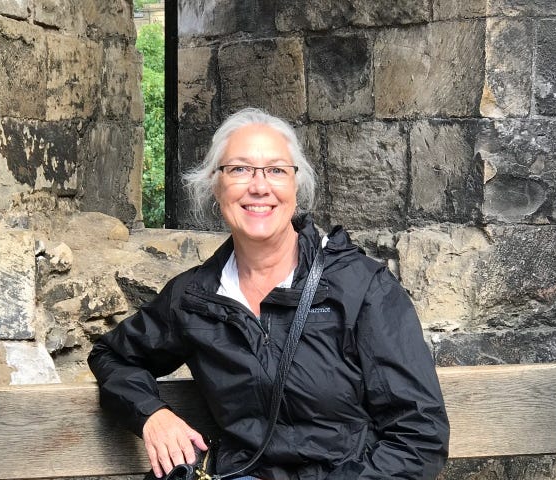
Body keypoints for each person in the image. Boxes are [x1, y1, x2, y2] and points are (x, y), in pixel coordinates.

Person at [88, 107, 450, 480]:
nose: (259, 186)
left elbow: (418, 435)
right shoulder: (196, 298)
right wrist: (152, 415)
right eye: (240, 169)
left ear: (296, 185)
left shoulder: (361, 287)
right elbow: (112, 356)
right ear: (216, 185)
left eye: (276, 170)